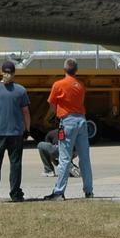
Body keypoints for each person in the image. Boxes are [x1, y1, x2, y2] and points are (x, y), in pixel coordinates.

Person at [43, 58, 93, 200]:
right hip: (81, 121)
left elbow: (52, 105)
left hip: (68, 122)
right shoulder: (81, 85)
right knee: (84, 158)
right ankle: (88, 191)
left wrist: (51, 116)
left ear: (64, 69)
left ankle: (59, 192)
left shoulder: (58, 85)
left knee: (64, 158)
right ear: (76, 70)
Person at [0, 60, 30, 203]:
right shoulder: (21, 90)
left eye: (10, 72)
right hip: (15, 132)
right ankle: (15, 193)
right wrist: (27, 129)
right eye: (7, 72)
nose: (8, 75)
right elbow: (25, 112)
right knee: (15, 163)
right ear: (3, 72)